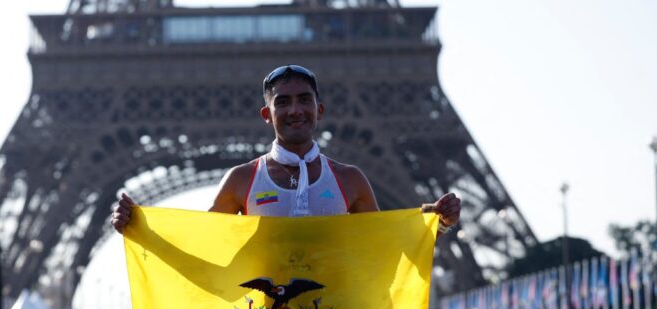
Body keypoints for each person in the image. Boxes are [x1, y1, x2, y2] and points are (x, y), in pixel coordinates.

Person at [111, 64, 460, 230]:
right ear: (267, 114)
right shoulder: (241, 180)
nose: (295, 110)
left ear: (319, 110)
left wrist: (436, 222)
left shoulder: (351, 179)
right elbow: (203, 246)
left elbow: (384, 246)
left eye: (304, 100)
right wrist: (140, 226)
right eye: (283, 103)